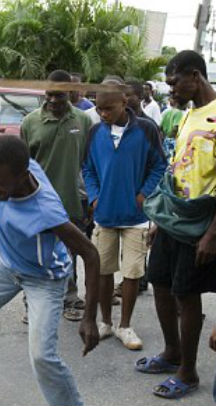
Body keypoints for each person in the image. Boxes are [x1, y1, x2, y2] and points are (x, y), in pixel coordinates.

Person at [0, 71, 100, 406]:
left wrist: (89, 317)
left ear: (24, 176)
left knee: (42, 356)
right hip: (8, 267)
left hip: (45, 278)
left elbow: (91, 255)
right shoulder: (2, 164)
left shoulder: (48, 211)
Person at [136, 50, 216, 399]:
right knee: (160, 283)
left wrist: (213, 233)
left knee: (187, 293)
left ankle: (188, 371)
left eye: (174, 83)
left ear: (195, 76)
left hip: (202, 222)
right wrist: (160, 218)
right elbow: (177, 167)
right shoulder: (186, 115)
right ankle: (172, 353)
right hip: (174, 217)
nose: (171, 90)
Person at [82, 79, 166, 351]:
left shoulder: (146, 129)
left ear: (123, 102)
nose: (103, 113)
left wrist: (143, 194)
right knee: (104, 271)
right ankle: (106, 322)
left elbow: (159, 165)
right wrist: (94, 196)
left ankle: (125, 325)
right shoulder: (95, 132)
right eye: (99, 108)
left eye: (108, 108)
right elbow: (88, 169)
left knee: (131, 273)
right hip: (104, 214)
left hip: (136, 217)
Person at [20, 69, 93, 322]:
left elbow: (88, 161)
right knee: (36, 254)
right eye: (49, 95)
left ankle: (69, 299)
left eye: (59, 96)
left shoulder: (83, 120)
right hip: (36, 202)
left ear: (70, 93)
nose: (53, 100)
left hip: (72, 201)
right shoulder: (30, 122)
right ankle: (32, 304)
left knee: (69, 253)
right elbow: (24, 165)